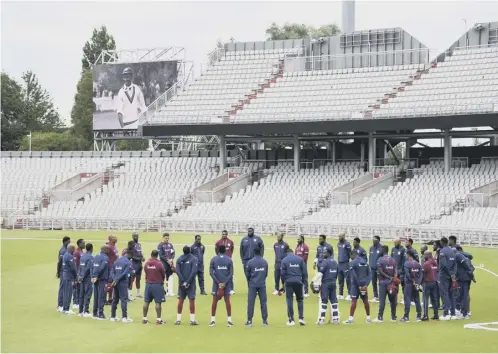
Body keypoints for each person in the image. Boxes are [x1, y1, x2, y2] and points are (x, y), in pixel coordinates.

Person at [280, 248, 308, 326]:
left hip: (288, 282)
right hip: (298, 281)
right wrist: (304, 283)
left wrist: (283, 284)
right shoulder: (300, 259)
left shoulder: (284, 260)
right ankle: (301, 318)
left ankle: (291, 319)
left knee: (289, 299)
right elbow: (304, 272)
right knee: (300, 300)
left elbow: (282, 274)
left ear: (286, 253)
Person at [312, 248, 339, 325]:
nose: (323, 254)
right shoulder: (335, 262)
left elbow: (320, 273)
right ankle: (335, 319)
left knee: (324, 301)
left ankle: (321, 319)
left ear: (329, 253)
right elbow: (337, 274)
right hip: (333, 283)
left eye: (325, 253)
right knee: (334, 301)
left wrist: (313, 281)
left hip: (326, 284)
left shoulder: (325, 262)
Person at [343, 249, 371, 324]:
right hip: (364, 285)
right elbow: (369, 274)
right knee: (365, 301)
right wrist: (366, 285)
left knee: (354, 301)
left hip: (356, 285)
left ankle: (350, 319)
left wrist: (359, 285)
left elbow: (354, 275)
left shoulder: (352, 263)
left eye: (350, 256)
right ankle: (368, 318)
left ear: (352, 255)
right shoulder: (365, 261)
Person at [209, 245, 234, 327]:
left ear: (218, 250)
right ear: (225, 251)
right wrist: (225, 283)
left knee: (214, 302)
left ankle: (212, 321)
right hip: (226, 284)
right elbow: (231, 273)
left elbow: (211, 272)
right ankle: (229, 321)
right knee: (227, 302)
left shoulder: (213, 259)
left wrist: (218, 282)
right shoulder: (229, 260)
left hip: (216, 285)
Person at [244, 245, 269, 327]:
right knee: (263, 303)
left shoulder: (250, 262)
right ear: (260, 252)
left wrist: (251, 281)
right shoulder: (265, 262)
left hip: (253, 285)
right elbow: (266, 274)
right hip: (262, 284)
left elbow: (247, 274)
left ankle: (249, 320)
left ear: (254, 253)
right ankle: (265, 321)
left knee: (251, 303)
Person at [175, 246, 199, 326]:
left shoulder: (179, 259)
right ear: (190, 251)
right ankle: (192, 320)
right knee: (191, 300)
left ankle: (178, 320)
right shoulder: (194, 259)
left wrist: (183, 281)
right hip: (191, 283)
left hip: (181, 283)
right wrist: (188, 282)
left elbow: (177, 271)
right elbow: (194, 271)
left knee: (181, 300)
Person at [375, 245, 398, 323]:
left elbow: (380, 271)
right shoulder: (393, 260)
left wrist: (388, 277)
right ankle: (393, 317)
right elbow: (396, 271)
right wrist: (393, 279)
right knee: (392, 301)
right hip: (391, 283)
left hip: (383, 283)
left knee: (382, 301)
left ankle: (380, 317)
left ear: (382, 250)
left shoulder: (380, 260)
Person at [142, 250, 166, 325]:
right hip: (157, 285)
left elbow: (146, 271)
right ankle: (159, 320)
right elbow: (163, 274)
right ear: (157, 255)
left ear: (151, 255)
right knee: (158, 302)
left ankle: (144, 319)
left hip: (148, 284)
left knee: (146, 302)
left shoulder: (147, 264)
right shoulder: (159, 264)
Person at [110, 250, 134, 323]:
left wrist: (114, 279)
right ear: (128, 254)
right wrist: (117, 280)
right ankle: (124, 317)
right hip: (122, 282)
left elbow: (112, 271)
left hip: (115, 283)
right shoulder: (128, 262)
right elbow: (125, 273)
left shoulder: (116, 261)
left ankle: (113, 316)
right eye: (131, 256)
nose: (131, 258)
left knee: (115, 299)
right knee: (124, 299)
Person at [438, 237, 457, 321]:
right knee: (451, 294)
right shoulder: (452, 251)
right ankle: (453, 313)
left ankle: (446, 313)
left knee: (444, 293)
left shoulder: (442, 251)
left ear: (442, 242)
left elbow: (444, 265)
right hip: (451, 275)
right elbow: (455, 264)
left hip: (444, 275)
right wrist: (453, 274)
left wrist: (449, 273)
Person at [400, 250, 422, 322]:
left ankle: (406, 317)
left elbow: (407, 274)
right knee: (417, 299)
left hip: (409, 284)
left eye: (406, 255)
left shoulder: (407, 263)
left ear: (409, 255)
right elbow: (421, 275)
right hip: (416, 284)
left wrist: (412, 281)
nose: (406, 256)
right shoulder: (418, 264)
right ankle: (419, 316)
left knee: (407, 300)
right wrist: (417, 283)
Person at [454, 246, 474, 320]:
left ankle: (464, 314)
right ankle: (465, 312)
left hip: (462, 279)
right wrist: (471, 275)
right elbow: (472, 268)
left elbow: (469, 268)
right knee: (464, 295)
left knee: (463, 295)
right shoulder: (467, 257)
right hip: (467, 278)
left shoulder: (459, 257)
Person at [91, 245, 110, 320]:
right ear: (105, 250)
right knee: (102, 296)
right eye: (107, 249)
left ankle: (95, 313)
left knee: (96, 296)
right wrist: (96, 276)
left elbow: (92, 267)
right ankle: (100, 314)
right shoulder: (105, 258)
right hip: (102, 279)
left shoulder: (95, 256)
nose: (108, 251)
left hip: (95, 279)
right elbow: (102, 268)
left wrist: (93, 276)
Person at [421, 250, 439, 321]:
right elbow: (437, 271)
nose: (423, 256)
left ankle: (425, 315)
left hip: (427, 282)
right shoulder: (435, 263)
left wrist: (420, 282)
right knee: (434, 299)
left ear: (428, 255)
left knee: (425, 299)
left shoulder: (426, 264)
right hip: (434, 282)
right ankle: (436, 314)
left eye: (425, 255)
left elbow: (422, 273)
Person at [78, 243, 94, 318]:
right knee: (87, 294)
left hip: (81, 278)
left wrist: (80, 276)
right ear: (91, 249)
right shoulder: (91, 257)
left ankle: (80, 311)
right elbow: (88, 268)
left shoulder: (82, 256)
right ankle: (86, 311)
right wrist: (84, 276)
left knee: (81, 294)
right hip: (87, 278)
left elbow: (80, 267)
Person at [61, 244, 77, 315]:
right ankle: (66, 309)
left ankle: (65, 308)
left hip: (65, 275)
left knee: (65, 292)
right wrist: (76, 276)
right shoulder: (70, 256)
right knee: (68, 293)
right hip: (69, 276)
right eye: (73, 249)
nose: (74, 251)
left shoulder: (65, 254)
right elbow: (73, 268)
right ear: (71, 249)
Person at [56, 236, 71, 312]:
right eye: (68, 241)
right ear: (65, 242)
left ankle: (61, 304)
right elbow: (59, 262)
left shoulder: (66, 250)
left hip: (65, 271)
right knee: (62, 288)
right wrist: (58, 272)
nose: (70, 242)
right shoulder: (63, 250)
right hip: (63, 271)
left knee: (64, 288)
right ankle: (60, 305)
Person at [337, 233, 352, 300]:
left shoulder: (347, 244)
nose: (339, 237)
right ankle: (340, 294)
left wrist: (346, 259)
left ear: (343, 236)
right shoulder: (339, 244)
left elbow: (350, 254)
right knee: (340, 279)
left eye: (340, 236)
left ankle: (349, 294)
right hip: (339, 263)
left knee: (348, 279)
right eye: (339, 236)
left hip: (345, 263)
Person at [106, 235, 119, 304]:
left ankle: (111, 298)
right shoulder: (108, 247)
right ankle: (106, 298)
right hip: (110, 267)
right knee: (109, 283)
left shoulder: (114, 246)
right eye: (113, 238)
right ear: (110, 239)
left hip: (115, 267)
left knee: (113, 283)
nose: (115, 238)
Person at [369, 235, 383, 302]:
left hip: (379, 269)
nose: (373, 240)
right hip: (372, 268)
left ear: (378, 240)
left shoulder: (381, 248)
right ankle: (375, 296)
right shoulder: (371, 248)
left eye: (375, 239)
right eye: (373, 239)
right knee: (373, 283)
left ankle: (381, 296)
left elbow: (383, 259)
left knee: (380, 282)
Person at [131, 232, 145, 299]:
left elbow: (140, 253)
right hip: (134, 264)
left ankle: (138, 293)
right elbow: (131, 256)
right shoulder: (131, 244)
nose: (135, 237)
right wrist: (139, 258)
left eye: (136, 236)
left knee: (138, 279)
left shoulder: (139, 244)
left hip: (139, 264)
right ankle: (130, 294)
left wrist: (143, 257)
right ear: (132, 237)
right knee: (132, 279)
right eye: (134, 236)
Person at [72, 239, 85, 310]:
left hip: (81, 273)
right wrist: (76, 274)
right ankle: (75, 303)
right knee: (76, 287)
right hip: (77, 273)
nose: (84, 245)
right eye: (83, 243)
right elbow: (75, 264)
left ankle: (79, 302)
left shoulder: (81, 251)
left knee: (80, 288)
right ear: (79, 244)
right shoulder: (76, 252)